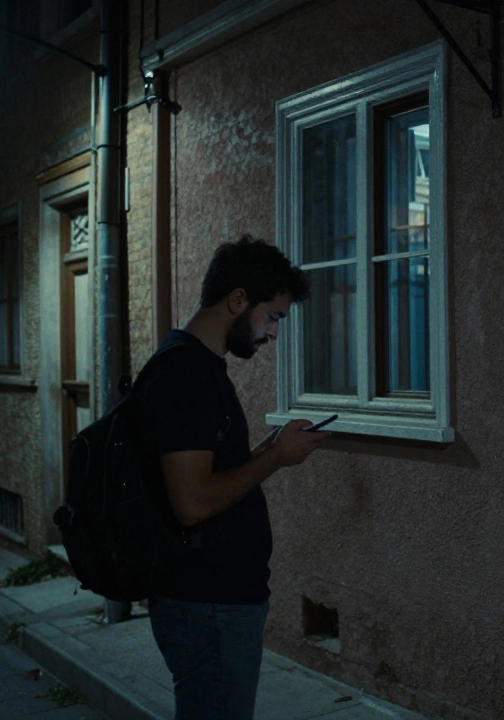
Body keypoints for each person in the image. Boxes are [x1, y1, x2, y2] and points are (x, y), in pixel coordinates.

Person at [141, 234, 329, 720]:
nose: (274, 333)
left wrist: (268, 449)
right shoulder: (187, 374)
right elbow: (192, 502)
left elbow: (213, 473)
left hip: (215, 603)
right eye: (273, 317)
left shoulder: (198, 367)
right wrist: (275, 458)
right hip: (208, 605)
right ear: (238, 300)